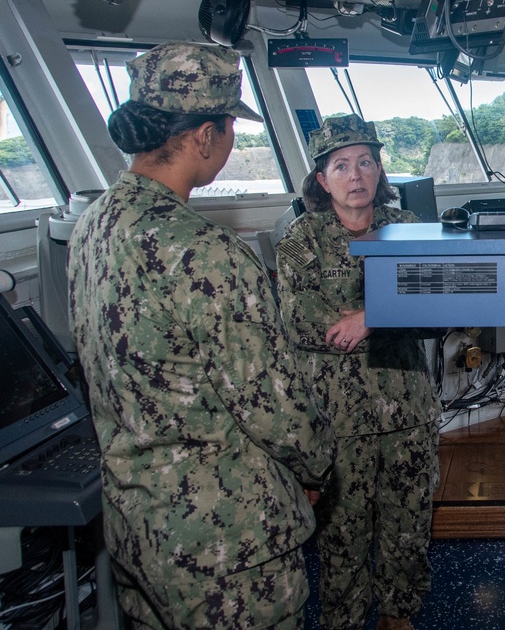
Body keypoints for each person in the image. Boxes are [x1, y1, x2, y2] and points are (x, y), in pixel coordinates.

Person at [68, 42, 335, 630]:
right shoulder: (207, 252)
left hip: (138, 528)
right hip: (225, 545)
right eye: (231, 127)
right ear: (204, 137)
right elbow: (275, 407)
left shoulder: (91, 227)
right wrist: (317, 469)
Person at [274, 115, 441, 630]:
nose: (356, 175)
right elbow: (302, 321)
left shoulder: (410, 229)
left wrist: (371, 317)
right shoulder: (301, 240)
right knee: (342, 534)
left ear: (380, 170)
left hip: (408, 407)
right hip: (336, 418)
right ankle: (343, 620)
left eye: (366, 162)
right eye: (341, 165)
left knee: (408, 523)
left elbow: (438, 299)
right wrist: (388, 314)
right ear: (321, 181)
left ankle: (398, 614)